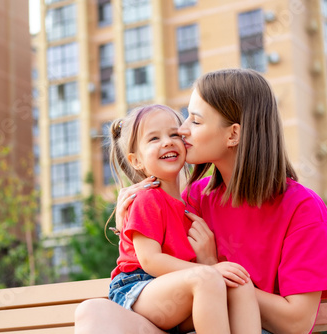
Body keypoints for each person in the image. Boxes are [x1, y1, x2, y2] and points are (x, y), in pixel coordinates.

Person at [75, 69, 327, 334]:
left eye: (195, 121)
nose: (182, 130)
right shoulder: (194, 197)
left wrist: (212, 268)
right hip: (185, 321)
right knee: (93, 312)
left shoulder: (302, 208)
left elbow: (296, 322)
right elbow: (153, 266)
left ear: (233, 135)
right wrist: (128, 225)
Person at [103, 104, 261, 334]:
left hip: (176, 297)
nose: (167, 142)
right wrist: (211, 271)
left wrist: (211, 271)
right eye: (154, 138)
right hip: (137, 291)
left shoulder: (188, 208)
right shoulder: (147, 199)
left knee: (240, 284)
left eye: (174, 134)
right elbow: (150, 261)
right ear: (136, 160)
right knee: (207, 278)